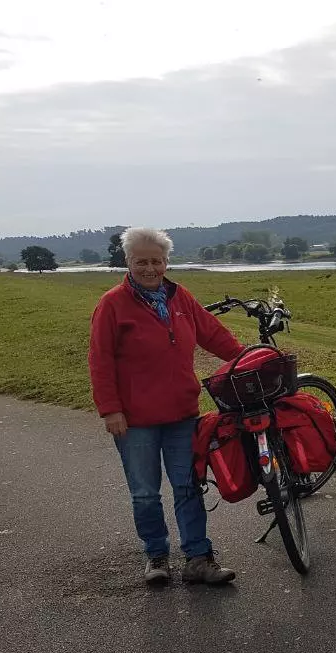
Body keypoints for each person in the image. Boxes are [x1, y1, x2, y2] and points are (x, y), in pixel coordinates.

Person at [87, 227, 244, 585]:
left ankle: (198, 559)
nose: (150, 268)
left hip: (181, 415)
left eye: (157, 261)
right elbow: (100, 360)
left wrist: (245, 358)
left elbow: (213, 334)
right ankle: (156, 555)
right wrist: (110, 409)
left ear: (166, 262)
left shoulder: (179, 297)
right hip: (135, 420)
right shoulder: (112, 304)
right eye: (141, 261)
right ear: (127, 262)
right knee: (144, 493)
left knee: (188, 486)